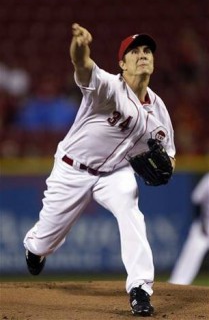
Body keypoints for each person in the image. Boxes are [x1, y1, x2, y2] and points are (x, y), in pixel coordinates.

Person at [23, 23, 176, 317]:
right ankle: (34, 247)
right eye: (134, 52)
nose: (142, 55)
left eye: (147, 51)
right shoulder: (107, 87)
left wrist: (167, 168)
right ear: (122, 63)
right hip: (73, 170)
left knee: (130, 209)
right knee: (44, 242)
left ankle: (140, 289)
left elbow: (169, 155)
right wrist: (80, 45)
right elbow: (81, 64)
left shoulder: (159, 110)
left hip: (115, 174)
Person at [168, 173, 209, 285]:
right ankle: (177, 284)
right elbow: (196, 200)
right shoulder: (208, 179)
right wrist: (202, 223)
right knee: (190, 257)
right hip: (203, 228)